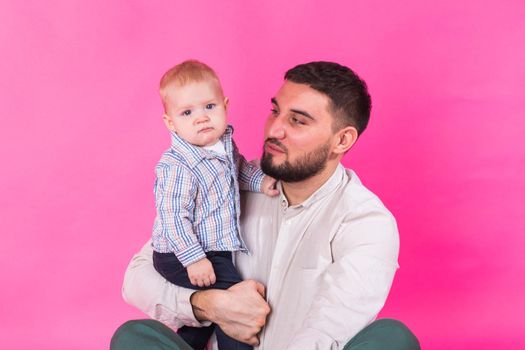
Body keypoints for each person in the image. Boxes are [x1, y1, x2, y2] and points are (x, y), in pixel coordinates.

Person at [112, 61, 420, 350]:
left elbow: (329, 329)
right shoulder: (229, 182)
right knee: (135, 336)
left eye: (297, 120)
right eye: (275, 111)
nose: (274, 129)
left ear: (342, 141)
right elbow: (138, 276)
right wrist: (208, 304)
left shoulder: (365, 221)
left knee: (392, 338)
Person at [150, 60, 278, 350]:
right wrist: (194, 258)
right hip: (179, 252)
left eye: (209, 107)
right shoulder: (178, 166)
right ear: (171, 122)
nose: (201, 118)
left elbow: (240, 169)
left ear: (225, 105)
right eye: (187, 112)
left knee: (207, 312)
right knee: (234, 302)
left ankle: (183, 344)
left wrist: (261, 182)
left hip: (214, 248)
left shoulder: (223, 145)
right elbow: (173, 217)